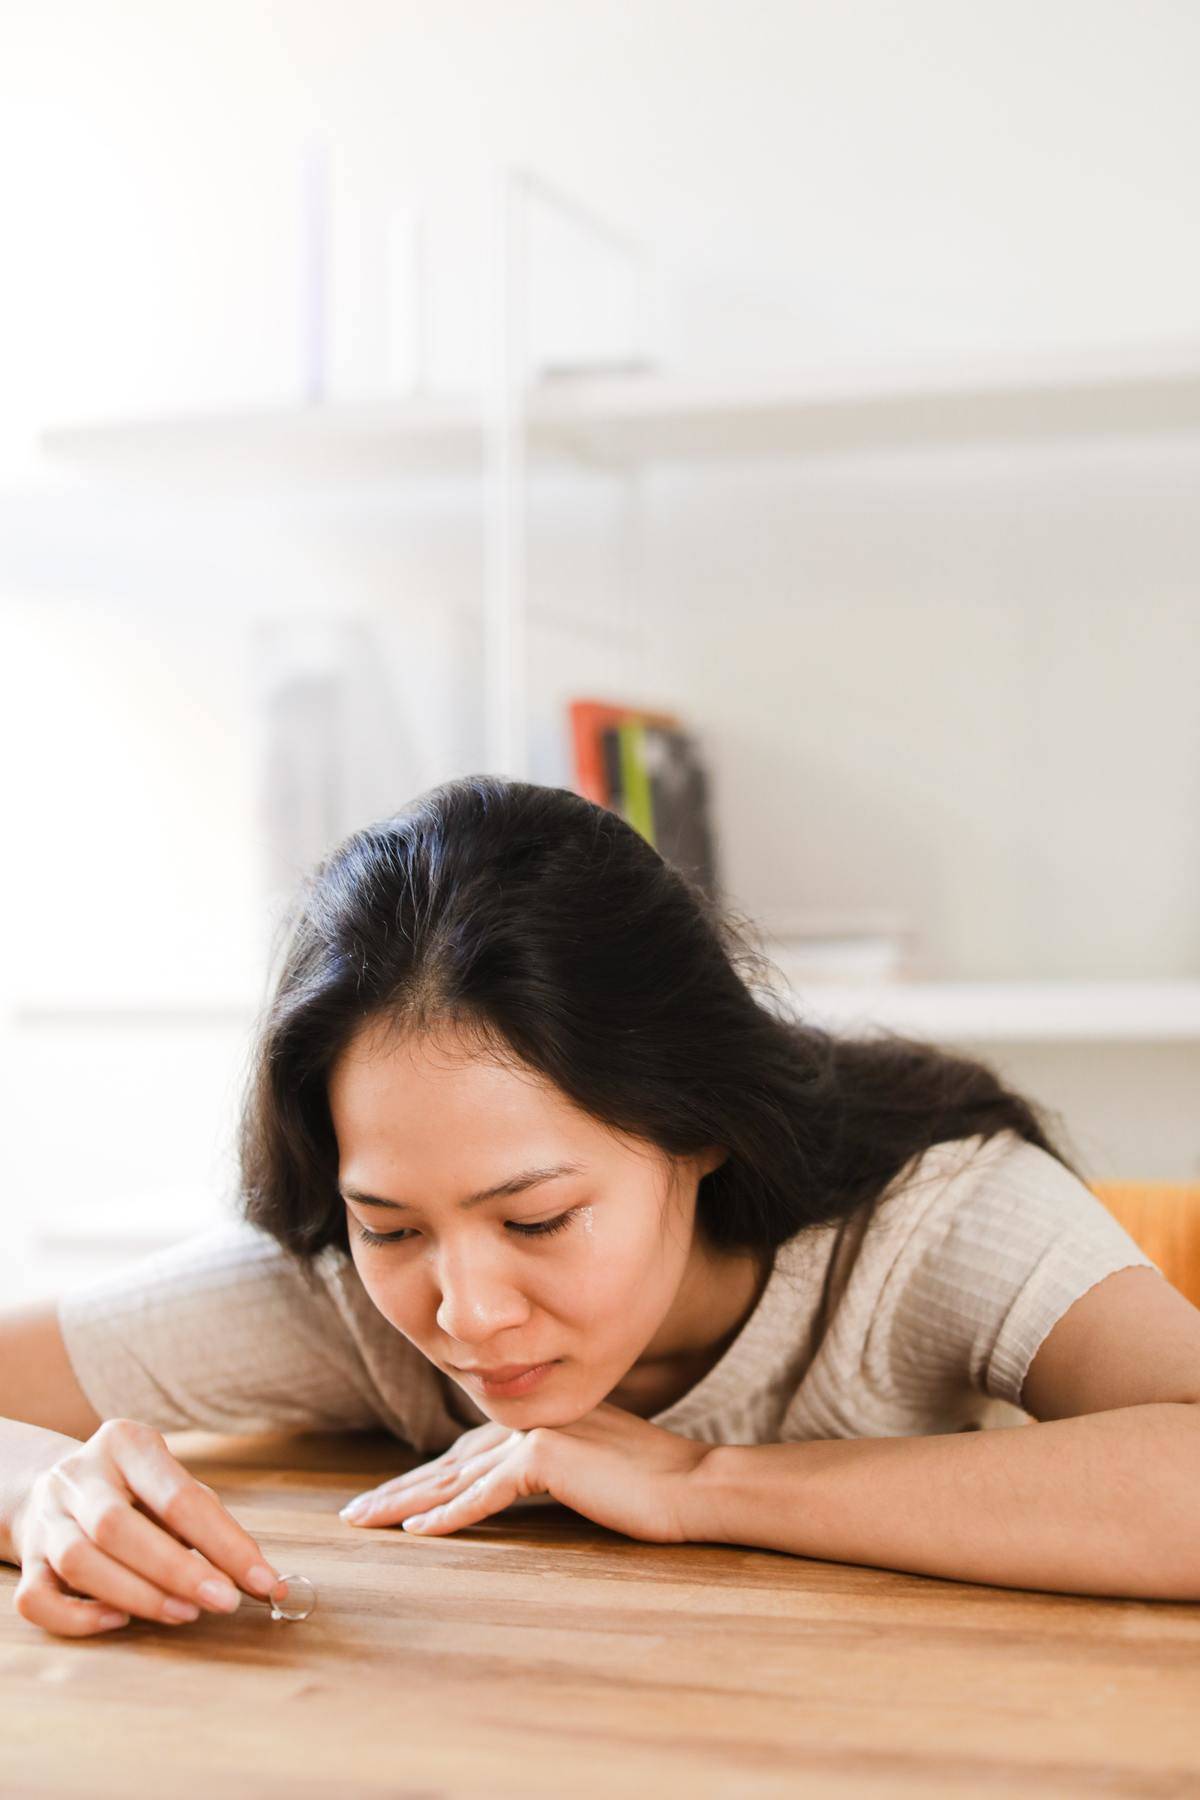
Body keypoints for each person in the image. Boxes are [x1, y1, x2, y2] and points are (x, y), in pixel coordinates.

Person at [4, 775, 1199, 1639]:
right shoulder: (337, 1296)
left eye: (535, 1220)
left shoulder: (935, 1219)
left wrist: (698, 1484)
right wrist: (38, 1496)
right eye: (392, 1228)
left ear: (700, 1126)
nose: (465, 1311)